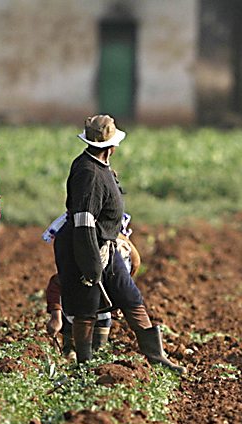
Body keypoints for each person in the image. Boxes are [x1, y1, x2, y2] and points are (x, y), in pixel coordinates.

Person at [51, 114, 182, 372]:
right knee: (86, 306)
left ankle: (156, 356)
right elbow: (84, 220)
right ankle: (84, 364)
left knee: (130, 296)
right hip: (84, 245)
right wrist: (90, 264)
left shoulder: (102, 167)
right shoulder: (88, 172)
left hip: (105, 244)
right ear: (111, 145)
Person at [43, 215, 141, 359]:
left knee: (97, 351)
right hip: (72, 316)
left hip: (101, 318)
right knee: (72, 350)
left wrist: (118, 306)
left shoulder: (117, 268)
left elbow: (124, 284)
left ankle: (86, 364)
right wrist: (56, 317)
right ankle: (73, 356)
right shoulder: (74, 269)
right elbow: (56, 285)